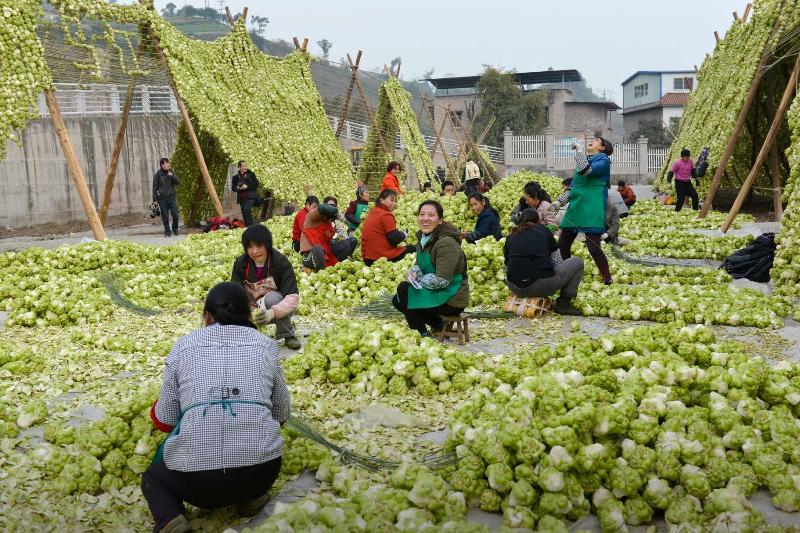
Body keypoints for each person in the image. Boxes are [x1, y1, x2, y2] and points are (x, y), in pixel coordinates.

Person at [142, 282, 290, 533]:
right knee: (251, 460)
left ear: (207, 314)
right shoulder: (266, 346)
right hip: (260, 475)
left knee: (153, 478)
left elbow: (163, 419)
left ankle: (170, 519)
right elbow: (281, 415)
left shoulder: (184, 345)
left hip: (197, 487)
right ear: (247, 314)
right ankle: (250, 498)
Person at [392, 200, 469, 335]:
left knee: (404, 290)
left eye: (431, 215)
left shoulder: (446, 243)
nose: (425, 219)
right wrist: (413, 273)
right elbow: (418, 265)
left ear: (440, 220)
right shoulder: (424, 238)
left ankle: (420, 332)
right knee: (397, 300)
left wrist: (418, 280)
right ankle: (437, 323)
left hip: (451, 297)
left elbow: (442, 280)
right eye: (422, 214)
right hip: (437, 291)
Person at [231, 225, 301, 350]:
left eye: (258, 246)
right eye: (250, 247)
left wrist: (272, 313)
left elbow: (293, 297)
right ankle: (251, 335)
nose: (254, 252)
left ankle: (287, 335)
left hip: (278, 309)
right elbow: (235, 293)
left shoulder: (280, 262)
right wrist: (250, 310)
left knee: (273, 298)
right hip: (251, 309)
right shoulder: (241, 264)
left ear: (267, 245)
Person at [504, 209, 583, 315]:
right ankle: (564, 304)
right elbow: (557, 261)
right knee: (577, 262)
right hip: (540, 286)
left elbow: (506, 266)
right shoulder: (544, 230)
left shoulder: (510, 236)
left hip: (515, 287)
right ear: (537, 221)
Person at [558, 137, 614, 285]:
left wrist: (578, 151)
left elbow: (585, 171)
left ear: (602, 147)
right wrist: (559, 201)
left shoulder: (604, 161)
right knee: (563, 244)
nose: (592, 141)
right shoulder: (583, 161)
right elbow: (573, 187)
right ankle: (567, 275)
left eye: (596, 140)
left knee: (593, 248)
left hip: (592, 207)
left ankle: (607, 278)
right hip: (577, 206)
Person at [361, 189, 416, 266]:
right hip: (380, 258)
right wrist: (404, 234)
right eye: (391, 200)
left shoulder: (374, 212)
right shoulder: (385, 215)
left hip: (367, 258)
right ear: (381, 200)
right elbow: (394, 238)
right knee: (413, 248)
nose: (394, 204)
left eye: (395, 201)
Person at [300, 204, 357, 271]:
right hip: (311, 254)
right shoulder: (311, 220)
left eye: (333, 219)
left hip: (326, 253)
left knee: (345, 244)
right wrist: (337, 213)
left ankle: (339, 266)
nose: (331, 221)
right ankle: (321, 271)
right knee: (317, 249)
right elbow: (321, 209)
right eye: (331, 218)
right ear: (324, 216)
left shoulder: (329, 224)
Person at [152, 158, 180, 238]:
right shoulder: (157, 174)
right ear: (162, 165)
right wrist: (155, 201)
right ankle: (167, 231)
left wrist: (172, 176)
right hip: (162, 200)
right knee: (165, 217)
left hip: (172, 198)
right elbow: (155, 188)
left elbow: (178, 182)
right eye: (166, 163)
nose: (168, 165)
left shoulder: (171, 172)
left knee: (175, 215)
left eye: (169, 163)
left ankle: (175, 228)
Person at [231, 160, 259, 227]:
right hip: (241, 198)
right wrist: (237, 187)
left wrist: (247, 186)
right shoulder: (235, 177)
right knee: (244, 212)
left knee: (246, 209)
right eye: (244, 166)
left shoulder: (251, 174)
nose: (245, 167)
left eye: (246, 166)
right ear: (239, 167)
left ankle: (250, 226)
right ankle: (247, 226)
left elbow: (256, 184)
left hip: (251, 196)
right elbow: (233, 188)